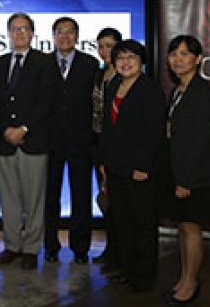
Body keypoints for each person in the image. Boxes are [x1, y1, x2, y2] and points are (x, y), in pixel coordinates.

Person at [97, 39, 165, 292]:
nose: (125, 63)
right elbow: (107, 130)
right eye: (121, 58)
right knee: (122, 222)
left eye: (131, 58)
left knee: (142, 224)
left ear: (141, 61)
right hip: (115, 168)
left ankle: (144, 276)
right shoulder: (113, 85)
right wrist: (103, 163)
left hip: (139, 170)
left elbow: (154, 133)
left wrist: (143, 166)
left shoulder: (150, 90)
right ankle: (127, 270)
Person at [0, 13, 55, 270]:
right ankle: (12, 245)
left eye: (24, 29)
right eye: (14, 29)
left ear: (32, 34)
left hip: (34, 140)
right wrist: (4, 129)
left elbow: (47, 101)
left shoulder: (45, 62)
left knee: (35, 199)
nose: (19, 34)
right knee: (9, 198)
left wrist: (24, 128)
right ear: (8, 33)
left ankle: (31, 248)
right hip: (5, 142)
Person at [159, 35, 210, 305]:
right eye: (174, 54)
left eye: (184, 54)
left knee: (192, 229)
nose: (178, 59)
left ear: (197, 58)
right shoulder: (178, 90)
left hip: (195, 175)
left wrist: (185, 180)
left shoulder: (202, 93)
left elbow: (199, 142)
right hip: (179, 171)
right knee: (184, 228)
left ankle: (192, 283)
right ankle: (184, 278)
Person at [44, 17, 99, 264]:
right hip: (50, 141)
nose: (65, 37)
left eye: (70, 32)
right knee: (49, 196)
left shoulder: (90, 64)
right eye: (60, 32)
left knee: (81, 196)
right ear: (53, 36)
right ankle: (51, 246)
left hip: (81, 141)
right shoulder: (42, 63)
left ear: (77, 36)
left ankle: (80, 248)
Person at [91, 27, 121, 270]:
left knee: (120, 201)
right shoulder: (97, 75)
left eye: (110, 46)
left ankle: (121, 253)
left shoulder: (126, 77)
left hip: (119, 148)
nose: (104, 51)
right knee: (105, 198)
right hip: (97, 144)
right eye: (101, 46)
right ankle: (112, 249)